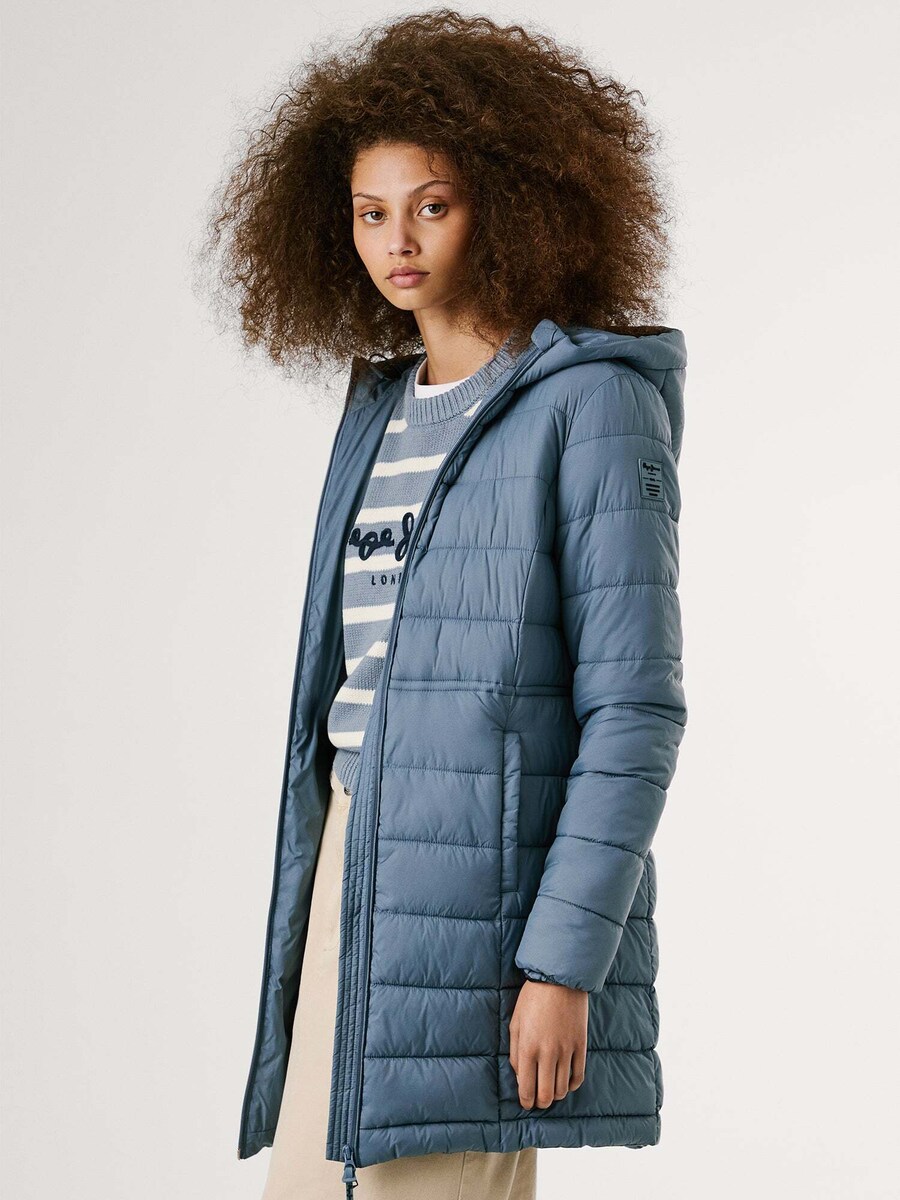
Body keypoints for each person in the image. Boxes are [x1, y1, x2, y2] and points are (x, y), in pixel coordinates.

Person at [200, 10, 687, 1198]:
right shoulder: (380, 409)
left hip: (489, 903)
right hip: (351, 857)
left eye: (432, 204)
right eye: (370, 212)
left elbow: (634, 710)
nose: (398, 240)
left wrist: (562, 964)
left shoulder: (590, 404)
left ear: (511, 203)